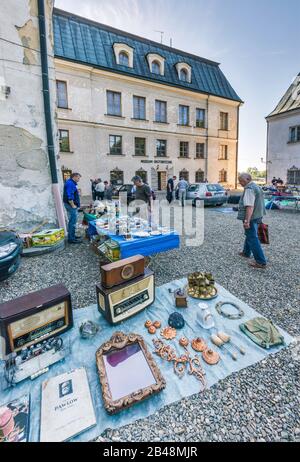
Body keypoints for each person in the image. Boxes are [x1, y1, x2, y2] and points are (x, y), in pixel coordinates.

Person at [237, 173, 267, 269]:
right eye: (239, 180)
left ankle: (261, 261)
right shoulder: (256, 186)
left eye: (241, 180)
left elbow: (249, 207)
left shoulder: (249, 189)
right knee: (250, 234)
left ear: (248, 179)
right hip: (258, 215)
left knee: (252, 237)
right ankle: (246, 252)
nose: (240, 183)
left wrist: (247, 221)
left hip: (252, 216)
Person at [63, 172, 82, 244]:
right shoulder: (70, 183)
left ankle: (72, 236)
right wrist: (73, 205)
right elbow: (69, 195)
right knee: (72, 222)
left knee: (73, 221)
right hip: (70, 205)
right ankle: (71, 239)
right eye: (78, 178)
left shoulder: (71, 183)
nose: (79, 179)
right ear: (74, 177)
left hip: (71, 205)